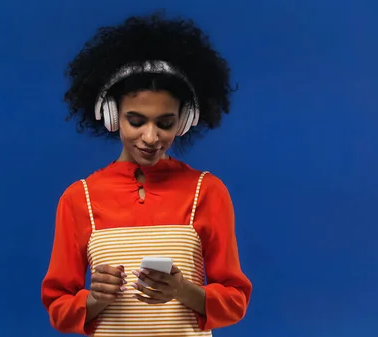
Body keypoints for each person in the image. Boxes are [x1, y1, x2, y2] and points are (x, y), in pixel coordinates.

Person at [41, 11, 252, 336]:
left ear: (184, 120)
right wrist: (95, 299)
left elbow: (236, 299)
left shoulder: (207, 191)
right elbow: (58, 306)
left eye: (165, 123)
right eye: (136, 121)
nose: (151, 137)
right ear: (112, 116)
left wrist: (183, 290)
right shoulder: (78, 198)